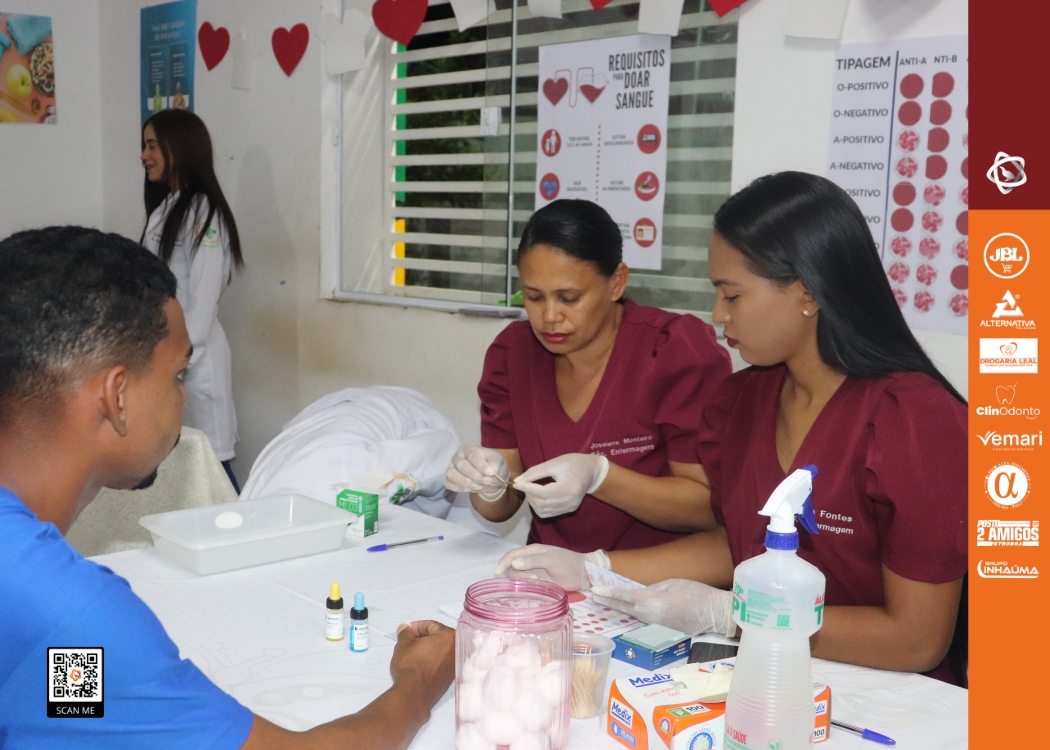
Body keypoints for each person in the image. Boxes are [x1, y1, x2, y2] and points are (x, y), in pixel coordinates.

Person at [496, 173, 967, 681]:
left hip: (891, 695)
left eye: (732, 295)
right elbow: (734, 545)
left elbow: (916, 640)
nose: (718, 314)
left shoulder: (914, 419)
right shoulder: (742, 401)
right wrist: (594, 569)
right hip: (769, 674)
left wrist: (735, 616)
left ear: (807, 292)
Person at [0, 227, 454, 748]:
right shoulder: (74, 621)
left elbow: (72, 714)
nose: (184, 399)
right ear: (117, 398)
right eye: (178, 376)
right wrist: (420, 681)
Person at [445, 199, 731, 562]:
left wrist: (601, 477)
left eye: (569, 298)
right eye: (533, 297)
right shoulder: (513, 354)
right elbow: (501, 508)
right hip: (550, 570)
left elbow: (706, 508)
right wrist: (487, 484)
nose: (550, 316)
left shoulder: (672, 351)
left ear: (616, 282)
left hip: (653, 578)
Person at [140, 108, 244, 492]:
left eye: (152, 146)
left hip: (195, 358)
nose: (144, 155)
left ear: (178, 148)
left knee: (213, 465)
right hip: (169, 353)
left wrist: (179, 360)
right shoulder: (167, 207)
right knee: (181, 465)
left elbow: (203, 298)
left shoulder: (203, 210)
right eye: (144, 146)